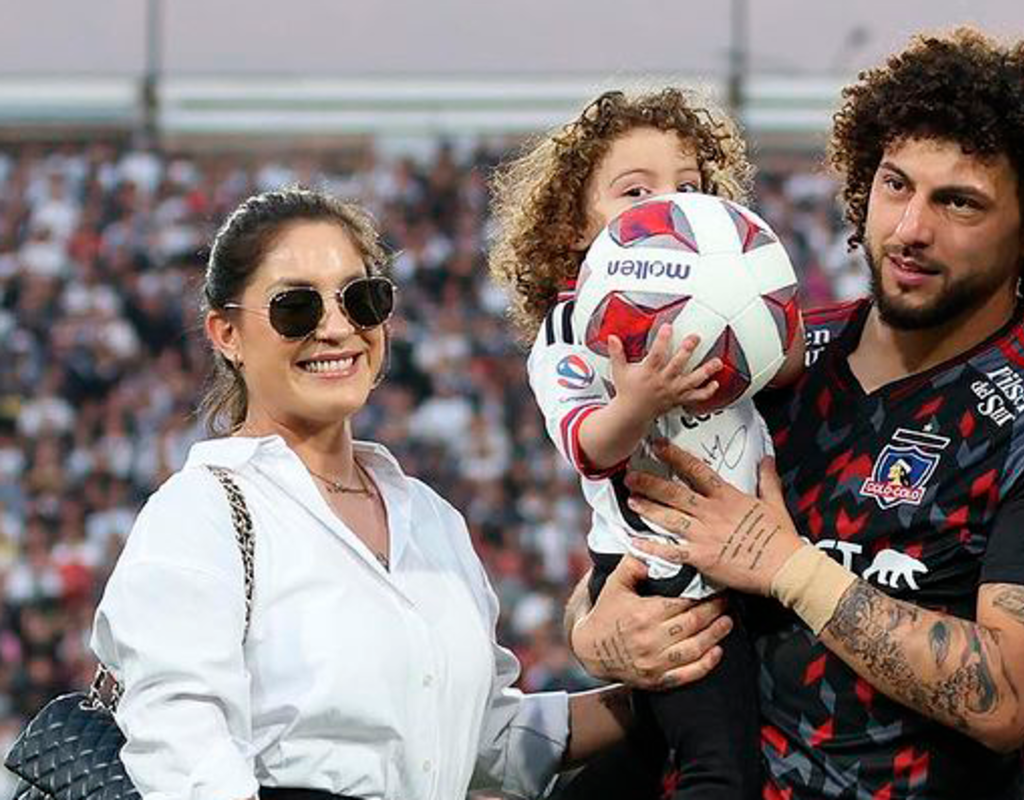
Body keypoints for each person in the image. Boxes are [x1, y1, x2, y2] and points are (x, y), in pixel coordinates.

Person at [568, 27, 1024, 799]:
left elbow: (1007, 695)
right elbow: (639, 540)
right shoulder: (767, 354)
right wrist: (595, 628)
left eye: (958, 203)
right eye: (896, 184)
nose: (911, 229)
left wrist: (788, 566)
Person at [90, 187, 633, 800]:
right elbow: (184, 761)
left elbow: (483, 740)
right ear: (226, 334)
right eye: (296, 307)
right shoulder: (201, 514)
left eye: (361, 298)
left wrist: (666, 695)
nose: (337, 327)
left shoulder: (431, 518)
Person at [489, 88, 803, 800]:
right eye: (636, 191)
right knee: (719, 772)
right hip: (664, 583)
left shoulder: (715, 306)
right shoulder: (573, 329)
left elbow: (788, 367)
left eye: (688, 189)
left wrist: (764, 306)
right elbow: (588, 447)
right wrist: (641, 399)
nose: (668, 207)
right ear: (576, 223)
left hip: (738, 564)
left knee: (650, 751)